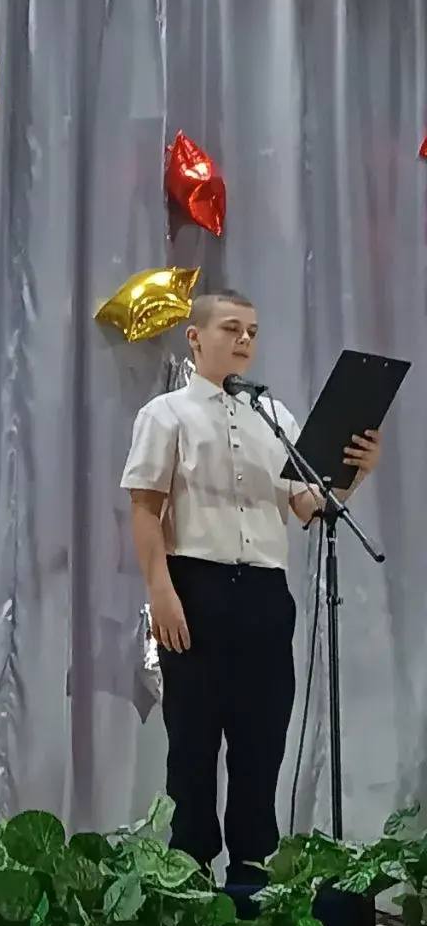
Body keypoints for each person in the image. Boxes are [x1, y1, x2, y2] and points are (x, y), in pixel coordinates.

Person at [121, 290, 383, 884]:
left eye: (253, 332)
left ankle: (252, 881)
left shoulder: (276, 418)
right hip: (195, 587)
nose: (244, 340)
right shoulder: (165, 414)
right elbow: (144, 509)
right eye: (231, 328)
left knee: (260, 744)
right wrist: (161, 592)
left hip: (264, 596)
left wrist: (355, 473)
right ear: (195, 337)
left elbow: (308, 506)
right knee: (192, 746)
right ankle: (188, 879)